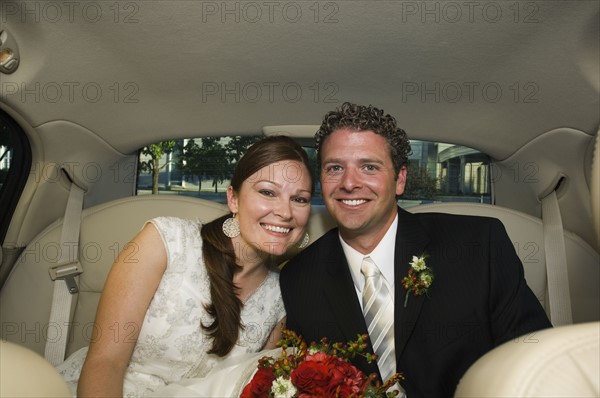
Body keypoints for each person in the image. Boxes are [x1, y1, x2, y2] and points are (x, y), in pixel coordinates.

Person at [280, 102, 552, 397]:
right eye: (335, 168)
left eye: (369, 167)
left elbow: (538, 361)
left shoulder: (478, 245)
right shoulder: (299, 277)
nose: (349, 183)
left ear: (399, 180)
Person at [56, 135, 313, 397]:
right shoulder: (165, 242)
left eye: (300, 199)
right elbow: (105, 363)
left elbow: (250, 387)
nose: (285, 212)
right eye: (268, 192)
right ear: (233, 199)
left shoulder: (282, 298)